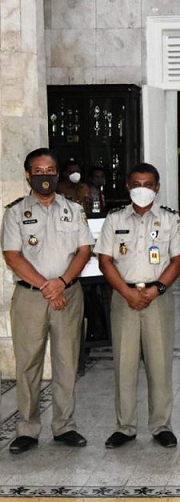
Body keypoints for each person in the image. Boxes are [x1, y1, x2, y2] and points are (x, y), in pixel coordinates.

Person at [1, 147, 94, 454]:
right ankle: (27, 429)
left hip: (68, 293)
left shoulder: (73, 209)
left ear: (58, 174)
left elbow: (84, 250)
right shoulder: (15, 212)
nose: (45, 177)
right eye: (38, 172)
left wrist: (61, 283)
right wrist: (46, 286)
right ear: (28, 175)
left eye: (50, 171)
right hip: (31, 297)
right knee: (28, 364)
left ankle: (64, 426)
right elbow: (12, 256)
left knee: (67, 362)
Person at [94, 163, 180, 449]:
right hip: (124, 298)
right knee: (124, 364)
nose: (142, 189)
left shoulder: (170, 220)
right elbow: (105, 260)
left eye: (148, 184)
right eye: (136, 184)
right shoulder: (115, 219)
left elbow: (178, 260)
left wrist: (157, 289)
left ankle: (161, 426)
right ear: (128, 187)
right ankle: (125, 427)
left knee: (159, 364)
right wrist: (126, 292)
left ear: (157, 187)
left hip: (158, 298)